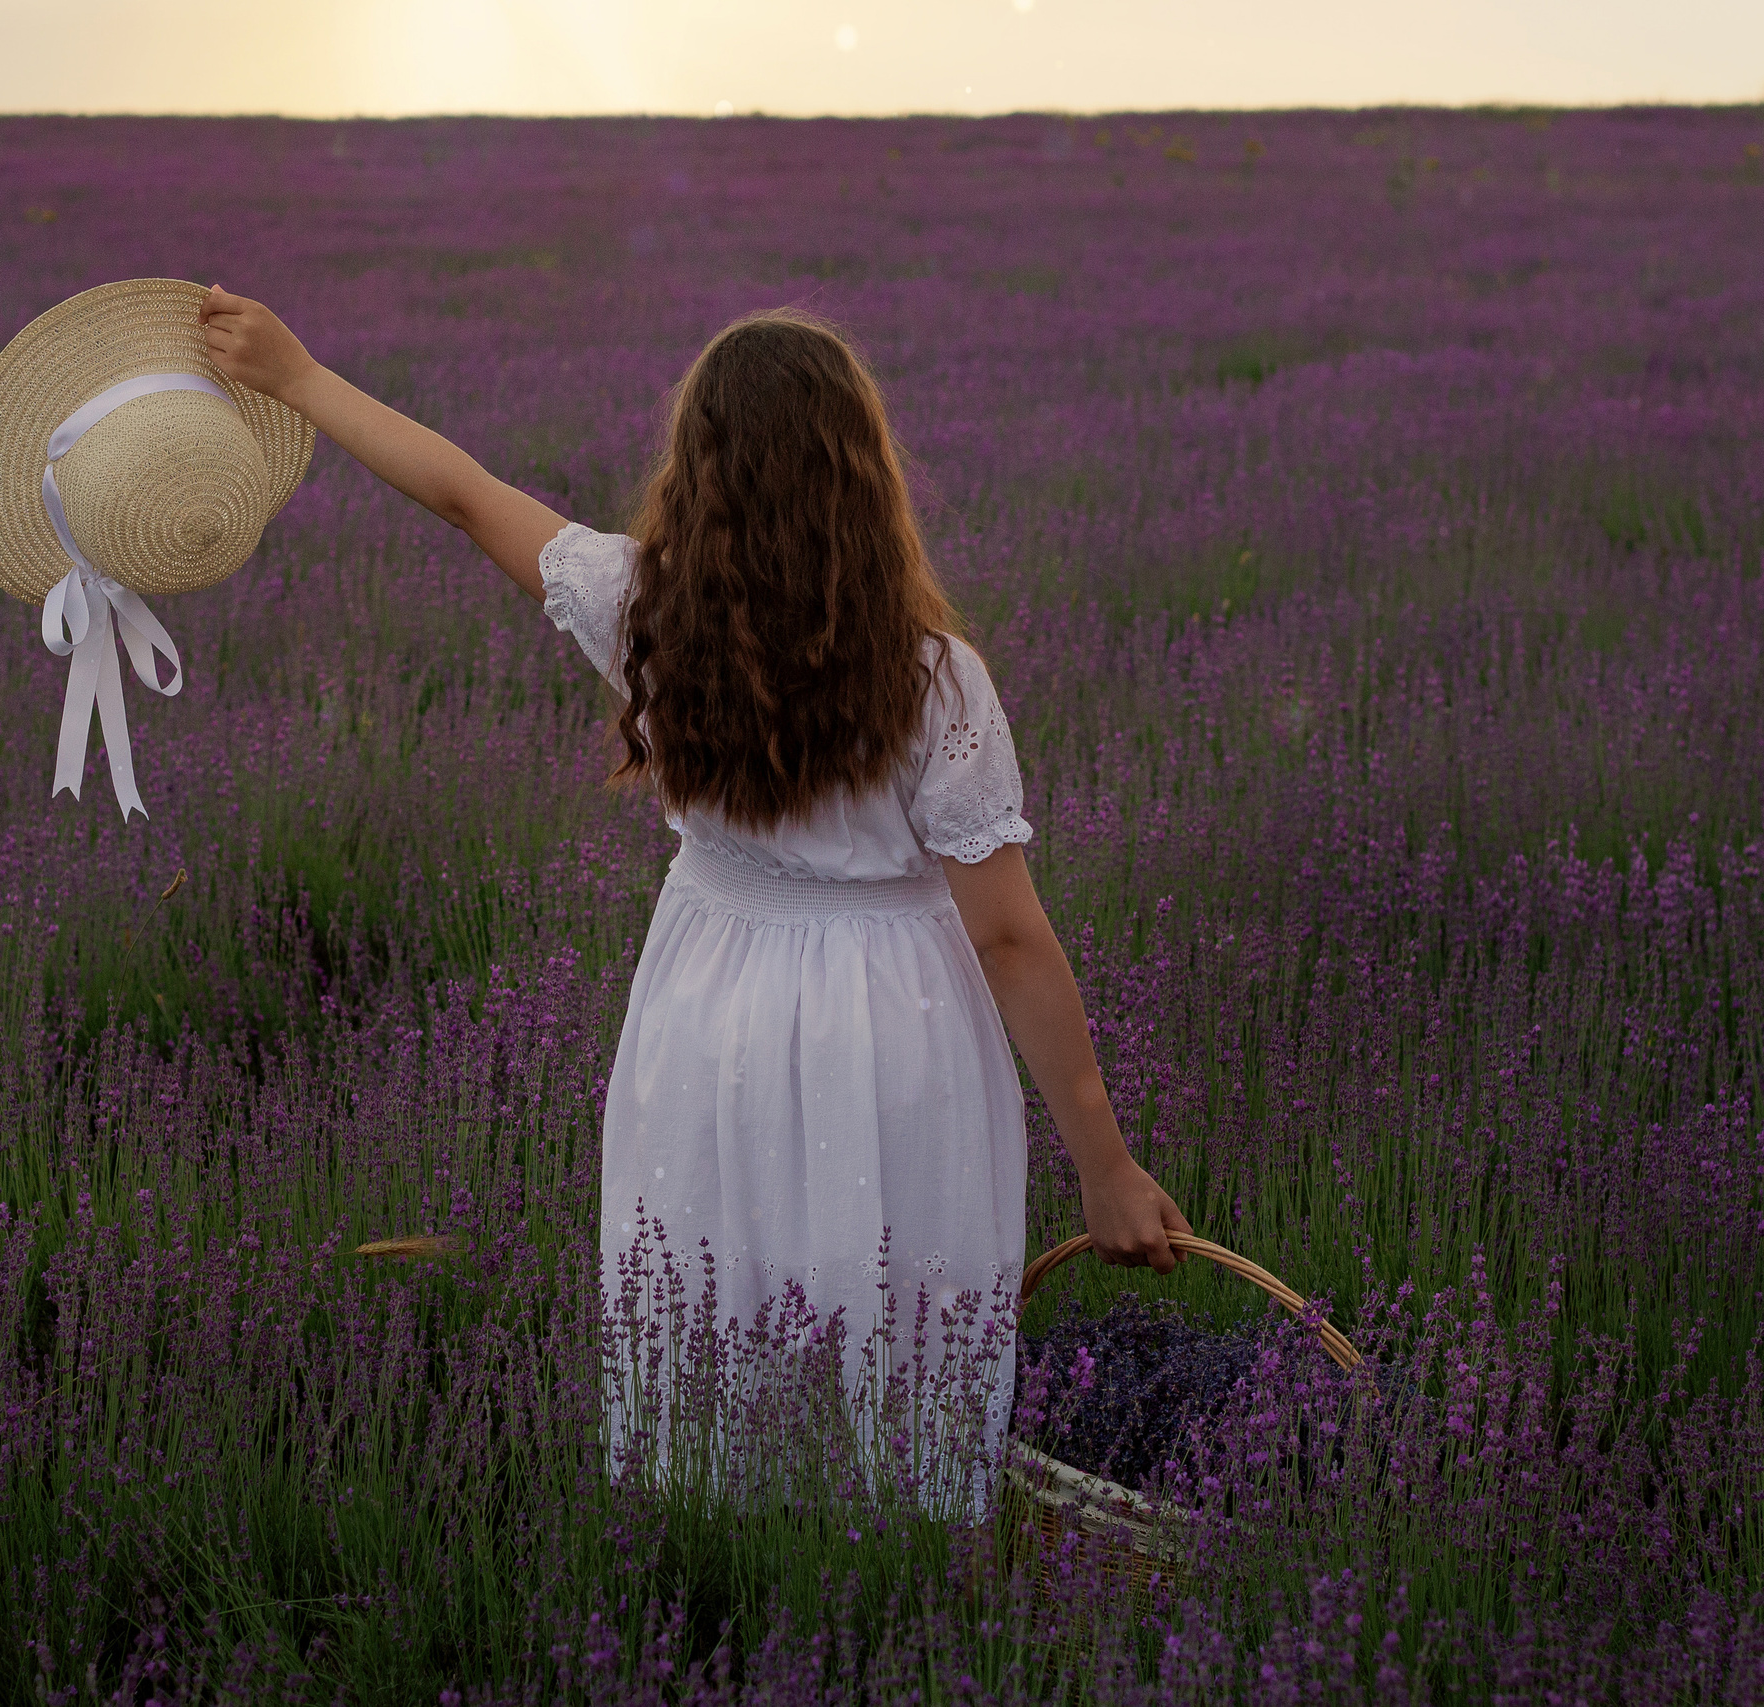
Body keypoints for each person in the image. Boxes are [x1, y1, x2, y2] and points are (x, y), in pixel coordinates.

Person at [197, 287, 1191, 1458]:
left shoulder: (640, 610)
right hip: (896, 1019)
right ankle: (892, 1557)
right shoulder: (934, 679)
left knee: (712, 1299)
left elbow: (464, 495)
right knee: (894, 1318)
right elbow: (1010, 940)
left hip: (704, 1003)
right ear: (865, 475)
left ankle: (720, 1570)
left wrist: (301, 377)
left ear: (696, 469)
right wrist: (1107, 1166)